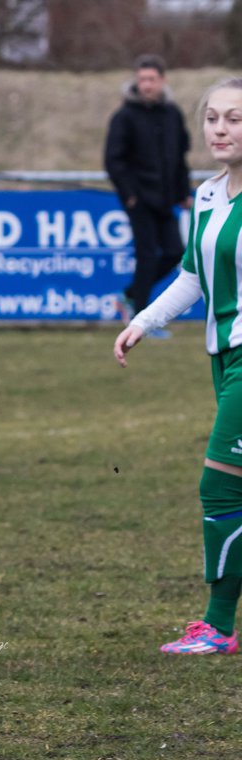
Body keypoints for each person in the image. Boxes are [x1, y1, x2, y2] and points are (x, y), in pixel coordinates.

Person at [113, 76, 242, 655]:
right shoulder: (211, 194)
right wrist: (144, 320)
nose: (220, 129)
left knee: (218, 489)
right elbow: (192, 274)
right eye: (213, 117)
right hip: (223, 358)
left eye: (235, 118)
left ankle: (217, 626)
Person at [104, 54, 194, 337]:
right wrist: (130, 195)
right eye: (141, 79)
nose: (146, 85)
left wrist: (182, 192)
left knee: (174, 253)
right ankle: (140, 319)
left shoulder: (172, 114)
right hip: (139, 201)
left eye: (151, 79)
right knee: (146, 256)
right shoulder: (124, 116)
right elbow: (113, 160)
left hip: (166, 199)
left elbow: (179, 157)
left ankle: (129, 295)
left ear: (162, 80)